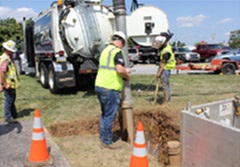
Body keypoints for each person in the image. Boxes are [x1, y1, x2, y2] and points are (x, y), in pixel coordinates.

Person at [95, 31, 131, 149]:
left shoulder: (106, 50)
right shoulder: (117, 51)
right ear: (120, 41)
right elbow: (119, 70)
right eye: (123, 44)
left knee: (105, 114)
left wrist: (124, 70)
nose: (122, 46)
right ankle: (106, 141)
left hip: (100, 85)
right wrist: (127, 75)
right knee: (109, 115)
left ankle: (103, 138)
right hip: (110, 87)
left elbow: (110, 67)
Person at [0, 40, 20, 124]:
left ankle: (13, 114)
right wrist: (4, 83)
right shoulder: (5, 59)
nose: (12, 52)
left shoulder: (8, 57)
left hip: (10, 83)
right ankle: (8, 117)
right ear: (7, 49)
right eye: (11, 50)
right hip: (8, 83)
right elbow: (1, 71)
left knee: (12, 98)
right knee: (9, 99)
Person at [156, 34, 176, 103]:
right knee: (166, 85)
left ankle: (166, 101)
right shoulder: (167, 47)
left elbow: (163, 64)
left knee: (165, 86)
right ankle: (167, 100)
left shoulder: (166, 52)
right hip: (166, 68)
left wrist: (159, 73)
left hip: (165, 69)